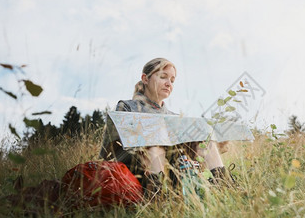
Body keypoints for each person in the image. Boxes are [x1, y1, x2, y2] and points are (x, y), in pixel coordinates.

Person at [100, 58, 233, 197]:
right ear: (145, 79)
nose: (168, 84)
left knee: (205, 140)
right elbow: (118, 147)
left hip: (169, 169)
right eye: (163, 77)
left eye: (172, 80)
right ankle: (157, 196)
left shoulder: (174, 117)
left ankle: (223, 187)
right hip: (130, 168)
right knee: (154, 144)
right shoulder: (127, 106)